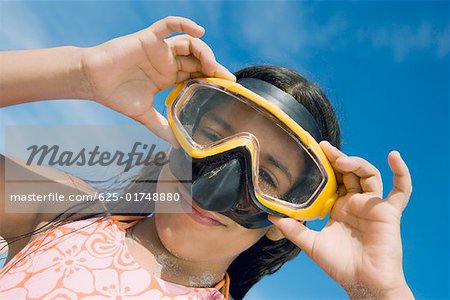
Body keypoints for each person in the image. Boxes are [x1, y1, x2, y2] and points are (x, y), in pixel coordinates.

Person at [0, 16, 414, 299]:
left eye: (267, 176)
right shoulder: (69, 214)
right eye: (212, 137)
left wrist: (379, 291)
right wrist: (81, 72)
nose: (219, 180)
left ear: (287, 220)